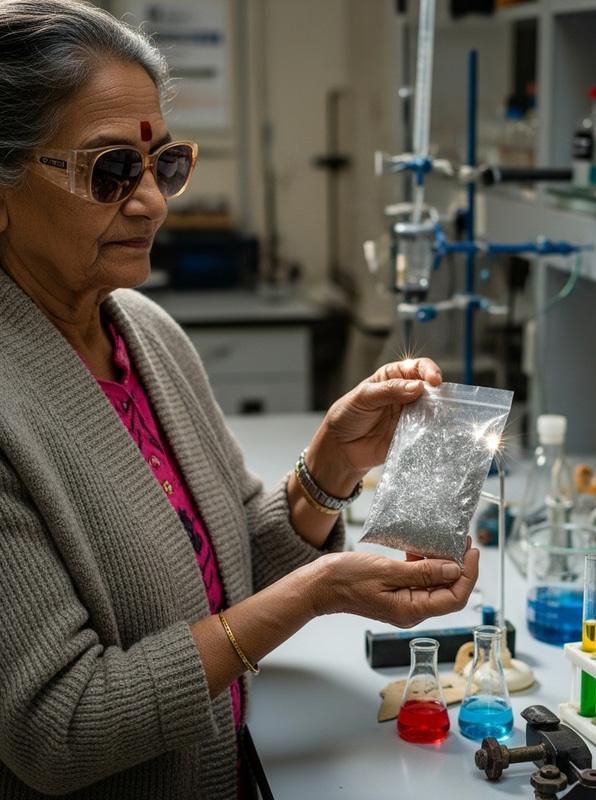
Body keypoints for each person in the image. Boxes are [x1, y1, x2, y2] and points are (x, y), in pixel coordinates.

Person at [0, 2, 480, 797]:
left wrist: (328, 465)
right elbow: (63, 727)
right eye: (111, 170)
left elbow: (228, 569)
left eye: (165, 166)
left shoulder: (143, 333)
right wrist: (316, 593)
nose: (153, 202)